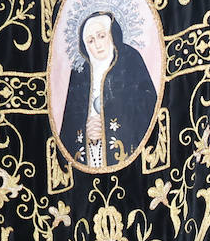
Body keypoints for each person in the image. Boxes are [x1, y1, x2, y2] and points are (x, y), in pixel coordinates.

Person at [58, 11, 158, 170]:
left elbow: (147, 112)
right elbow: (69, 125)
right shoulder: (79, 72)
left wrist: (106, 126)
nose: (97, 44)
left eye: (101, 36)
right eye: (90, 40)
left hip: (128, 161)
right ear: (85, 45)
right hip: (90, 156)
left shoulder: (130, 59)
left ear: (112, 34)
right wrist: (85, 131)